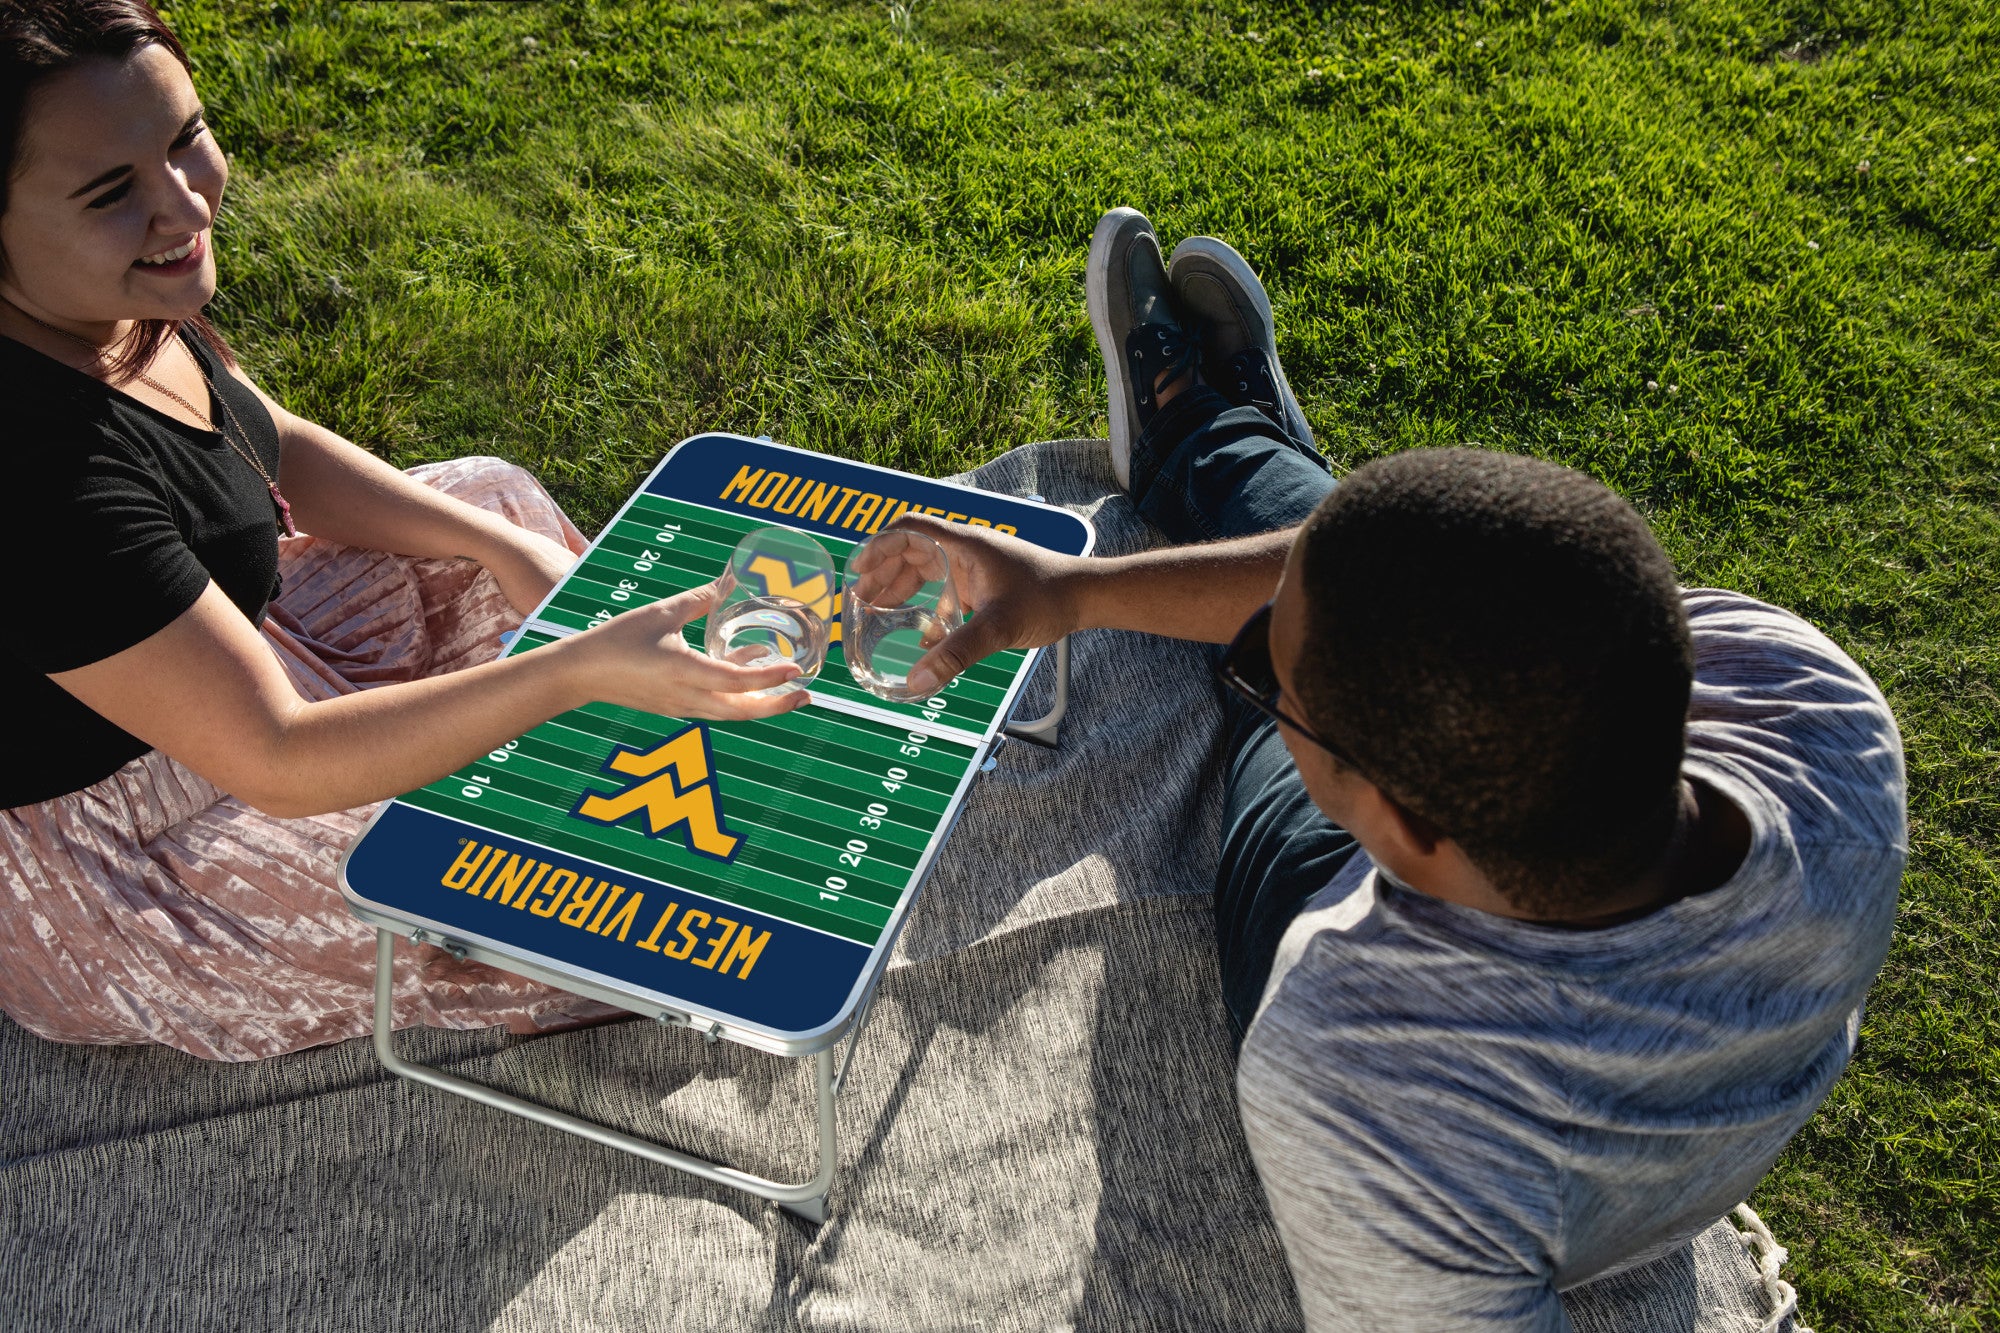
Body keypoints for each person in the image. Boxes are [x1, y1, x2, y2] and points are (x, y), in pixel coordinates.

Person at [890, 207, 1904, 1328]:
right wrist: (1068, 593)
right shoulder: (1812, 701)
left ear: (1397, 825)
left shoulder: (1361, 1071)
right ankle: (1230, 448)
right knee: (1376, 573)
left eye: (1272, 690)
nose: (1261, 691)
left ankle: (1216, 445)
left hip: (1349, 929)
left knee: (1300, 668)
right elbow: (1435, 586)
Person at [0, 0, 802, 1061]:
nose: (184, 200)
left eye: (185, 136)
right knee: (552, 895)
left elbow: (263, 439)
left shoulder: (103, 300)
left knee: (488, 499)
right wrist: (570, 672)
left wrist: (500, 549)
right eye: (112, 192)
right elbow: (277, 757)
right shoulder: (34, 469)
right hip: (136, 856)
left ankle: (628, 717)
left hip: (243, 660)